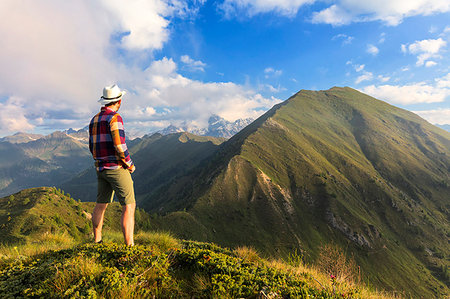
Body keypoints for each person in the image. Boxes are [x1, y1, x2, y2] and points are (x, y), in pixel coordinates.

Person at [88, 84, 136, 246]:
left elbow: (91, 145)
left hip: (100, 168)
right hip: (116, 168)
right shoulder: (115, 118)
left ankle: (97, 240)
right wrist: (129, 164)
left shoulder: (94, 119)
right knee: (129, 206)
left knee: (101, 204)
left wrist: (99, 160)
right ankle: (129, 246)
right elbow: (120, 146)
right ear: (119, 101)